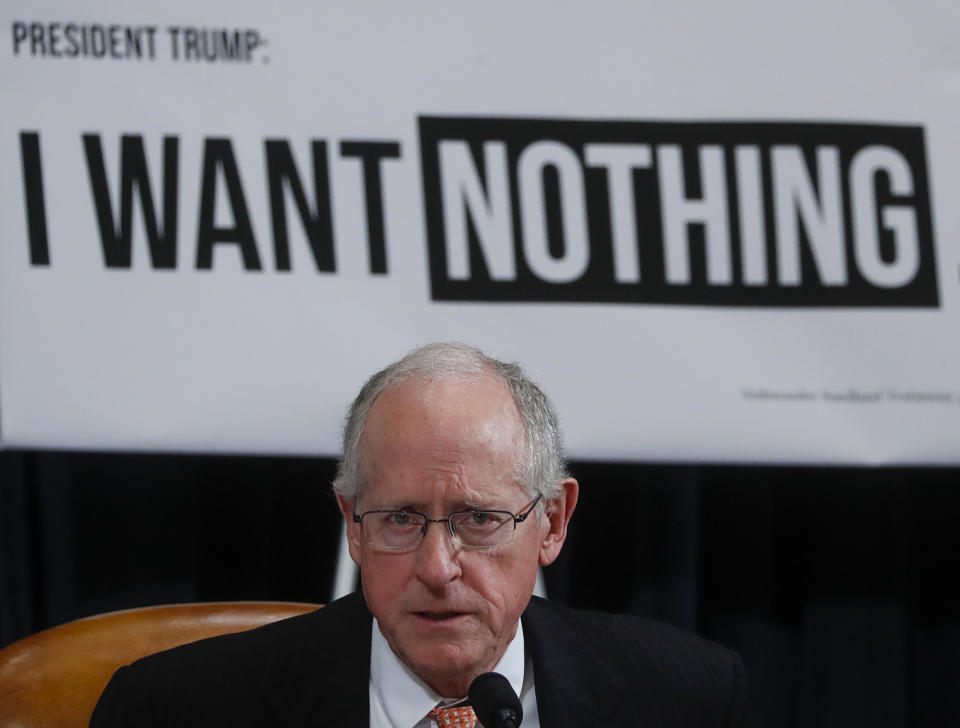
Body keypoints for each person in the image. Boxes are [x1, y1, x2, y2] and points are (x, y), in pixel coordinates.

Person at [91, 342, 751, 727]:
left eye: (480, 519)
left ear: (551, 522)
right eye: (400, 519)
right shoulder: (176, 712)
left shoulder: (687, 699)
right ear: (352, 523)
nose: (438, 568)